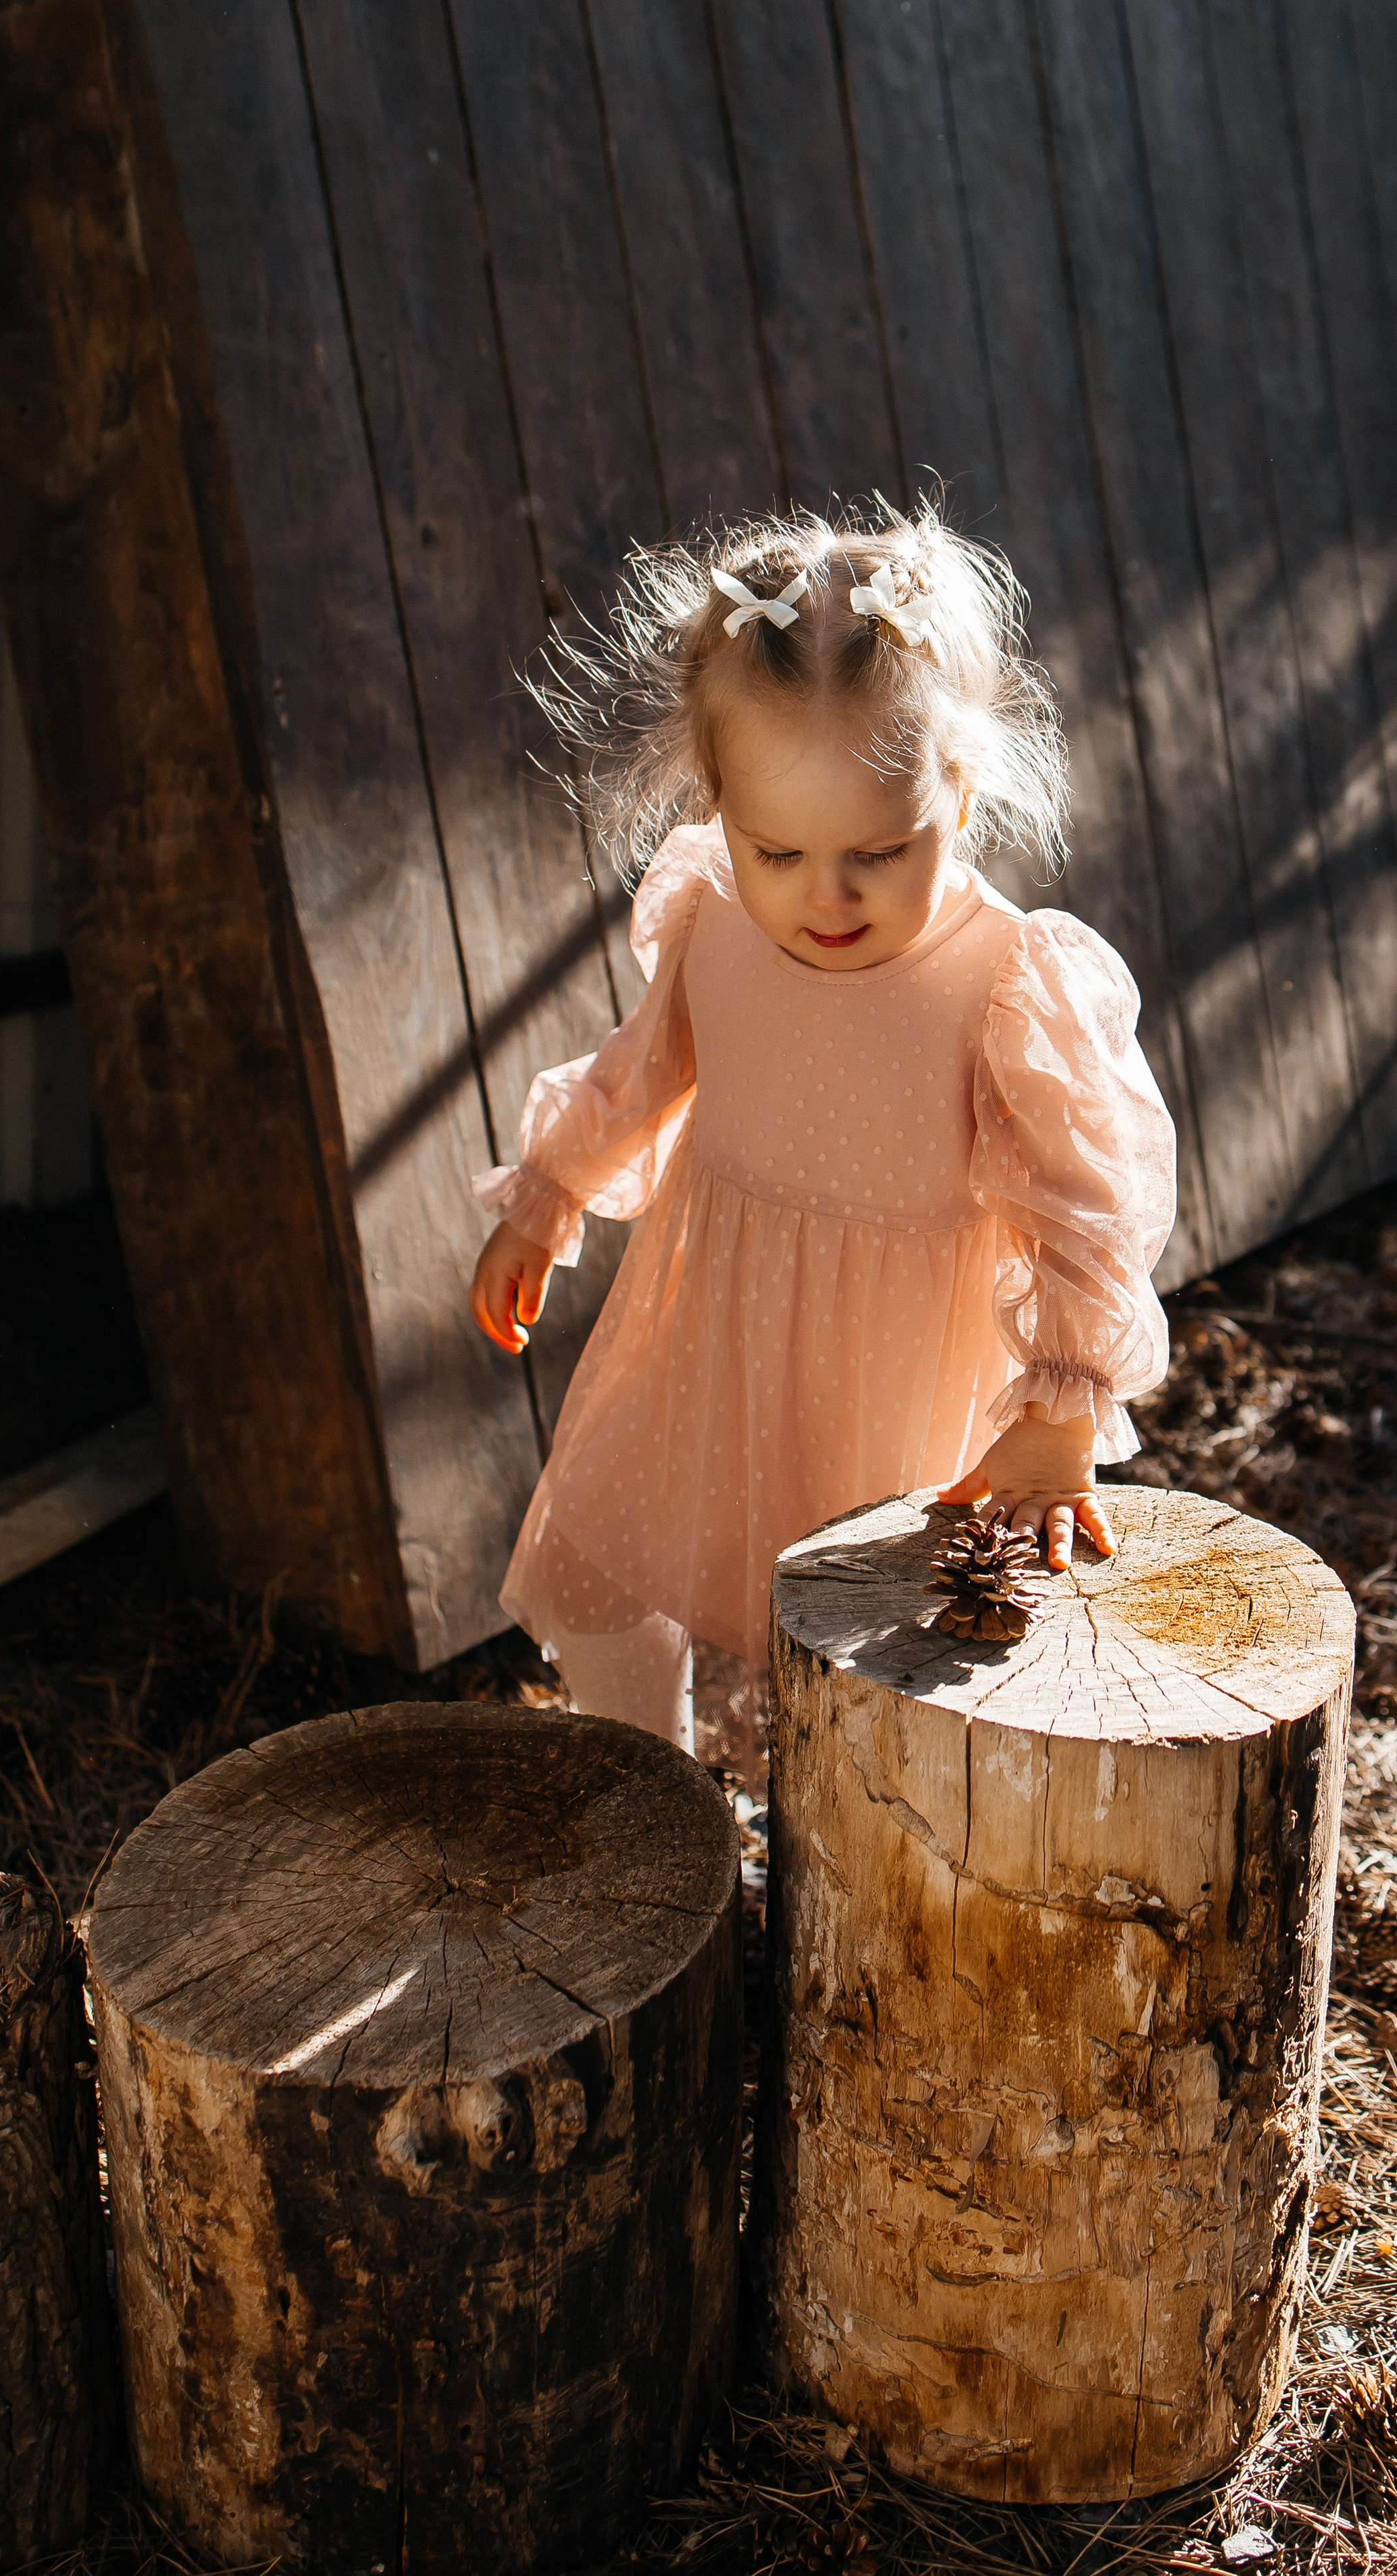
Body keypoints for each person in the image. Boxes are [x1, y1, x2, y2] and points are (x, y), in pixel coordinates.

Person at [469, 499, 1176, 1752]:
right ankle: (652, 1801)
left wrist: (1062, 1417)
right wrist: (550, 1192)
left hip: (897, 1376)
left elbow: (1087, 1210)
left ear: (961, 795)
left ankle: (836, 1873)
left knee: (864, 1662)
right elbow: (643, 1074)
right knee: (601, 1563)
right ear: (719, 800)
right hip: (706, 1332)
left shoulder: (1007, 981)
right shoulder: (713, 917)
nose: (826, 895)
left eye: (880, 851)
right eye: (777, 848)